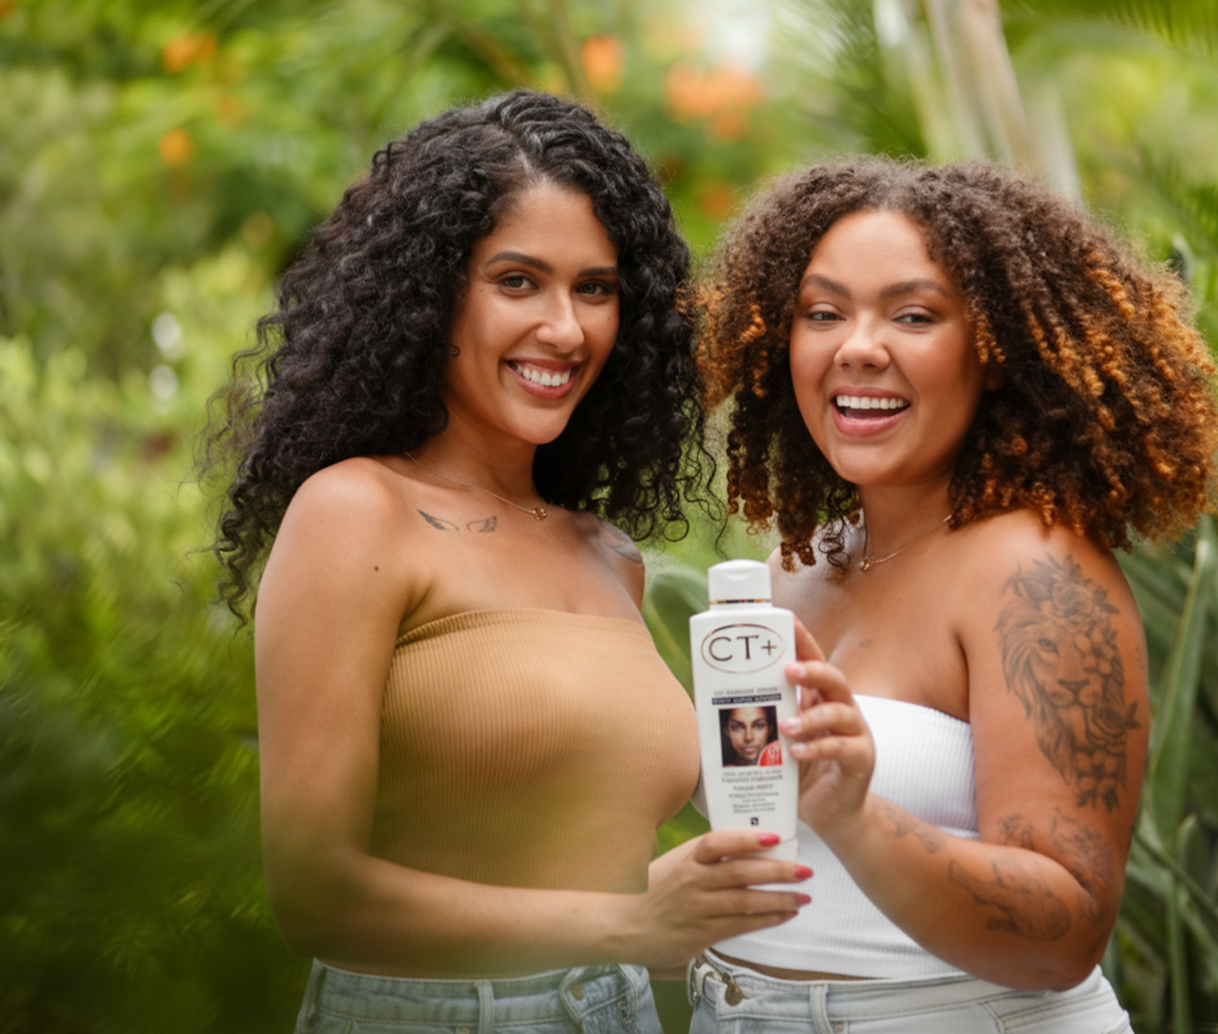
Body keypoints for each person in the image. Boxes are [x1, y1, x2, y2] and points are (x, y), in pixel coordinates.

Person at [208, 90, 809, 1034]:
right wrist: (624, 923)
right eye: (518, 281)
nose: (565, 329)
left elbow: (745, 796)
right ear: (433, 293)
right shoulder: (356, 514)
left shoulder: (609, 557)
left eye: (596, 288)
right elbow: (313, 895)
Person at [687, 158, 1218, 1032]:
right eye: (822, 312)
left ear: (996, 351)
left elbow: (1065, 933)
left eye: (913, 314)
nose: (858, 346)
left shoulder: (1037, 573)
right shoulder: (803, 564)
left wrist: (857, 812)